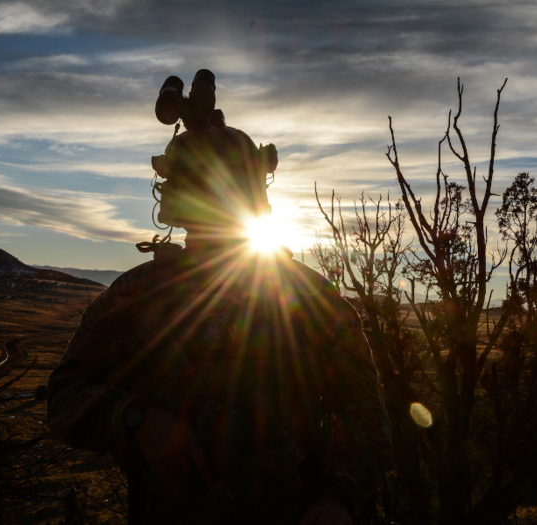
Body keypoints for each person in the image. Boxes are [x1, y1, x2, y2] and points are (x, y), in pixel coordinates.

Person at [47, 70, 391, 524]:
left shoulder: (310, 298)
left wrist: (337, 498)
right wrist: (137, 421)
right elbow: (66, 397)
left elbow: (369, 426)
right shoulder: (135, 295)